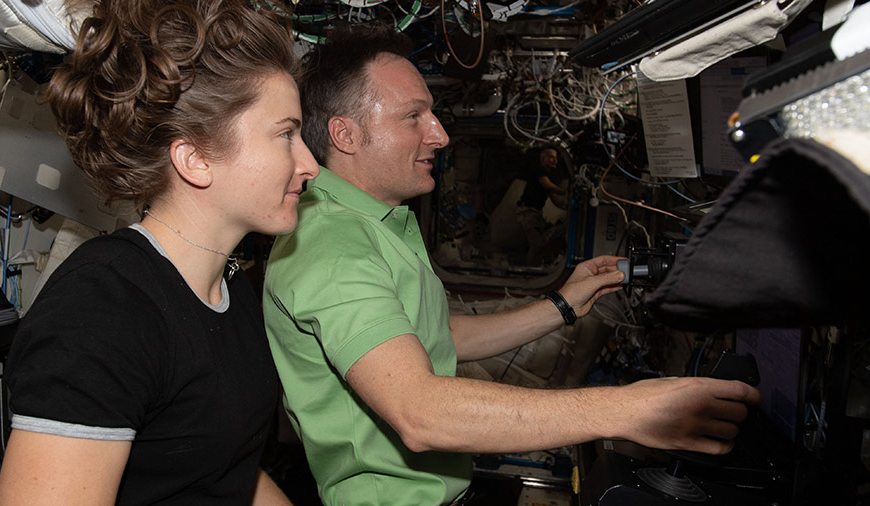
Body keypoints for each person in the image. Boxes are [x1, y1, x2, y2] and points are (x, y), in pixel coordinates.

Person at [263, 23, 760, 506]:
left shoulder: (376, 223)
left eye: (432, 114)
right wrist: (632, 408)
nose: (439, 134)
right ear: (345, 135)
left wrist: (562, 302)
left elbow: (431, 337)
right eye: (414, 116)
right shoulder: (332, 245)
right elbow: (419, 411)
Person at [0, 1, 319, 504]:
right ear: (195, 159)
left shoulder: (225, 288)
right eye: (286, 134)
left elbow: (222, 472)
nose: (310, 163)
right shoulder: (103, 309)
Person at [515, 147, 568, 266]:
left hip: (536, 213)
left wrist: (568, 206)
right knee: (537, 243)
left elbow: (554, 199)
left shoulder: (548, 176)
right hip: (527, 212)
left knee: (543, 241)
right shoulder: (539, 170)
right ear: (543, 159)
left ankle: (535, 266)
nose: (554, 160)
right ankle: (530, 269)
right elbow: (547, 185)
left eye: (555, 158)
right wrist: (564, 191)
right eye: (551, 157)